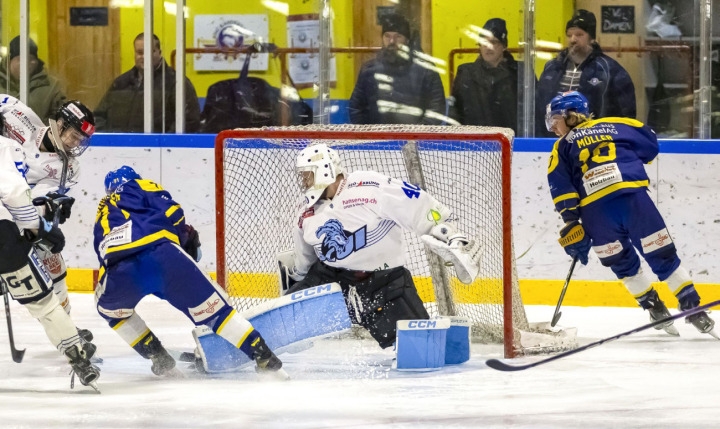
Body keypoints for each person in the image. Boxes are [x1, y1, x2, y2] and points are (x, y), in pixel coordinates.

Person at [545, 91, 716, 337]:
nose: (552, 128)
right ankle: (693, 307)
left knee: (621, 263)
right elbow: (650, 144)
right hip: (634, 200)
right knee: (662, 255)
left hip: (597, 213)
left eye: (555, 120)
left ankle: (654, 307)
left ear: (571, 116)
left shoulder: (561, 146)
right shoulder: (620, 124)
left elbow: (561, 186)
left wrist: (571, 220)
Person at [280, 144, 482, 349]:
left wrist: (449, 235)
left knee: (421, 350)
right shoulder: (305, 212)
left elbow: (415, 203)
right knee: (282, 321)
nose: (304, 181)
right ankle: (261, 353)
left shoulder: (367, 185)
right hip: (331, 280)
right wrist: (296, 284)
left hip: (384, 284)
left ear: (325, 170)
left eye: (308, 175)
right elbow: (305, 260)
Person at [94, 166, 284, 376]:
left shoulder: (103, 209)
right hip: (164, 256)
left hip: (121, 270)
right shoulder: (141, 185)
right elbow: (174, 214)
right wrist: (183, 238)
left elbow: (103, 254)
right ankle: (263, 355)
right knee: (218, 314)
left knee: (111, 312)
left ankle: (158, 357)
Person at [0, 119, 99, 390]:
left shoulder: (66, 166)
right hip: (4, 235)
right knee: (44, 304)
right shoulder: (6, 146)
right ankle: (78, 358)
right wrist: (39, 229)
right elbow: (16, 193)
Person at [536, 10, 636, 137]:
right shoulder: (552, 67)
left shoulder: (609, 70)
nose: (573, 39)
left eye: (579, 34)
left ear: (592, 39)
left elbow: (625, 114)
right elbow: (539, 108)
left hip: (594, 141)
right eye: (569, 35)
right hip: (552, 140)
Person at [348, 13, 448, 125]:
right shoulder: (369, 69)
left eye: (398, 36)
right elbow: (356, 108)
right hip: (377, 140)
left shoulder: (426, 69)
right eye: (387, 36)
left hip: (416, 140)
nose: (391, 41)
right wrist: (369, 134)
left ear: (407, 40)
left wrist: (417, 135)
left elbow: (436, 108)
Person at [94, 33, 201, 133]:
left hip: (160, 150)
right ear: (134, 53)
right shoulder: (121, 82)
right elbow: (99, 116)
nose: (144, 57)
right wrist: (108, 141)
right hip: (118, 149)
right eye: (140, 52)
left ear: (159, 52)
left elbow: (190, 121)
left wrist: (163, 145)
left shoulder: (177, 83)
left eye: (150, 52)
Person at [450, 18, 528, 133]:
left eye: (494, 42)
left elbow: (531, 114)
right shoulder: (465, 73)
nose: (488, 47)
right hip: (474, 144)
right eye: (484, 42)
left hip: (512, 144)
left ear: (504, 46)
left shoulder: (521, 72)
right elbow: (455, 113)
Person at [0, 36, 67, 122]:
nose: (26, 64)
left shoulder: (51, 86)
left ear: (37, 61)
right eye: (20, 59)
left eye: (31, 59)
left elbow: (61, 118)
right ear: (9, 61)